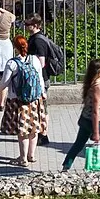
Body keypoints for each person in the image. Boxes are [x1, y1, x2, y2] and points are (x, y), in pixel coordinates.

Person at [61, 58, 100, 172]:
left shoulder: (91, 83)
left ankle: (66, 166)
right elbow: (95, 111)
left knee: (79, 144)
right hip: (94, 121)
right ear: (99, 72)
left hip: (85, 119)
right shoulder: (98, 88)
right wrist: (96, 133)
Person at [0, 35, 48, 167]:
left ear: (15, 47)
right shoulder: (35, 60)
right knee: (34, 129)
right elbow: (40, 79)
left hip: (18, 101)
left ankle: (23, 158)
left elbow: (3, 84)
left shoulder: (12, 63)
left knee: (23, 131)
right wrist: (42, 94)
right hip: (34, 100)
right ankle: (31, 155)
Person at [21, 13, 69, 147]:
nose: (25, 27)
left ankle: (43, 134)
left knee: (42, 107)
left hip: (41, 78)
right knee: (40, 107)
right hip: (40, 78)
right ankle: (40, 133)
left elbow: (41, 62)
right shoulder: (36, 37)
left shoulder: (38, 41)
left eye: (28, 25)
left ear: (35, 25)